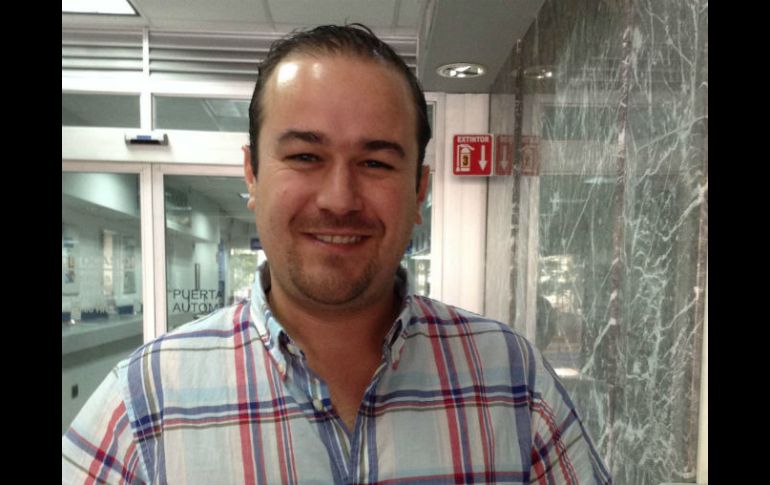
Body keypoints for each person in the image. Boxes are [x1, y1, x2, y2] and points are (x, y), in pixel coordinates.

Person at [62, 24, 612, 484]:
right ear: (252, 174)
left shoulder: (514, 385)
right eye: (305, 156)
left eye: (375, 163)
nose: (339, 199)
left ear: (419, 190)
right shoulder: (142, 409)